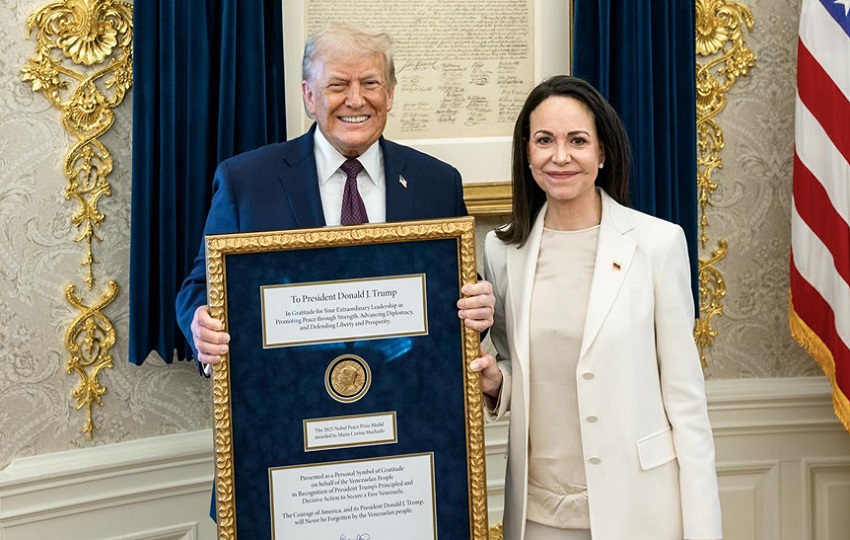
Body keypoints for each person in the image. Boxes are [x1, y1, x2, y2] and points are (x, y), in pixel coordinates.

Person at [469, 76, 722, 540]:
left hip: (639, 508)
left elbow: (686, 402)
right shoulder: (503, 250)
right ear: (527, 152)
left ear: (602, 153)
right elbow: (513, 362)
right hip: (538, 515)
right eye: (544, 140)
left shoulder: (658, 244)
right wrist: (495, 380)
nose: (560, 156)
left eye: (577, 141)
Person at [176, 23, 495, 371]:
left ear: (389, 94)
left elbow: (455, 294)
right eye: (338, 85)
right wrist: (201, 326)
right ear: (310, 96)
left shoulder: (437, 183)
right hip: (286, 397)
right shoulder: (247, 182)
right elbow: (202, 286)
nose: (356, 99)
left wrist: (477, 307)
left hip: (405, 396)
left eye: (370, 83)